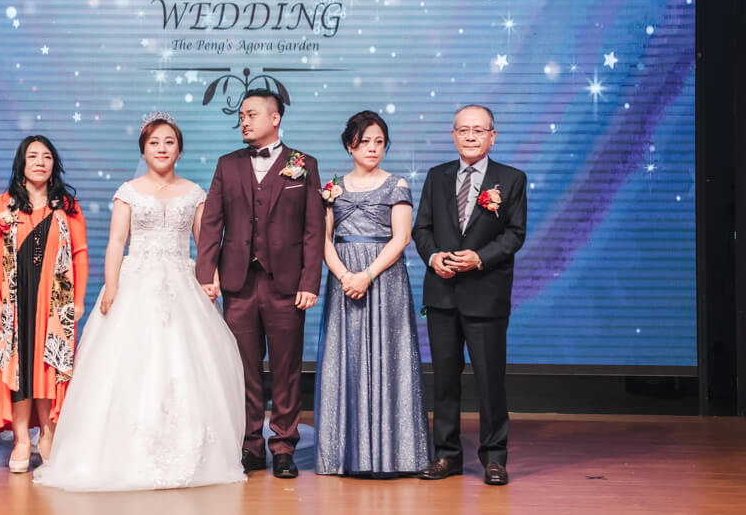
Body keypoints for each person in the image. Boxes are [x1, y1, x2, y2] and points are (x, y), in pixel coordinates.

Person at [34, 113, 246, 491]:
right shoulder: (128, 192)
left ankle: (188, 449)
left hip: (182, 283)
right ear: (144, 150)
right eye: (154, 143)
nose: (162, 148)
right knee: (129, 362)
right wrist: (112, 286)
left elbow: (205, 244)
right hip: (136, 283)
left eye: (169, 142)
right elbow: (117, 243)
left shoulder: (194, 193)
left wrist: (210, 278)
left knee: (187, 363)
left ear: (179, 150)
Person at [196, 89, 325, 479]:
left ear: (275, 118)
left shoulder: (303, 164)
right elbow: (212, 224)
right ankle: (250, 444)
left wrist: (310, 280)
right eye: (241, 116)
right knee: (243, 368)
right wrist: (206, 274)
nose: (244, 122)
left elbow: (313, 229)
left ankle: (283, 446)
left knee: (286, 370)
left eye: (251, 114)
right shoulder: (228, 164)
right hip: (238, 283)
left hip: (286, 283)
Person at [412, 105, 527, 486]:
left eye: (479, 130)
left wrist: (480, 258)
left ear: (493, 136)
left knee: (490, 381)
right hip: (442, 293)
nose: (471, 136)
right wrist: (433, 257)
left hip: (486, 295)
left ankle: (494, 458)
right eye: (463, 130)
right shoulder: (437, 176)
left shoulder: (511, 179)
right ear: (453, 136)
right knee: (445, 380)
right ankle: (446, 455)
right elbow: (422, 229)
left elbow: (515, 234)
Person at [314, 111, 430, 476]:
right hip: (344, 279)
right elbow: (324, 239)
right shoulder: (333, 187)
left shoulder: (396, 184)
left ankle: (394, 454)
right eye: (365, 141)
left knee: (388, 358)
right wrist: (345, 276)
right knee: (344, 358)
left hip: (384, 278)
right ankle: (343, 455)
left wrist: (366, 275)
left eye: (379, 141)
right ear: (350, 145)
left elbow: (402, 237)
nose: (373, 148)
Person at [0, 135, 88, 472]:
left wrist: (78, 301)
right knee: (19, 367)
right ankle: (21, 439)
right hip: (14, 303)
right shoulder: (1, 205)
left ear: (54, 164)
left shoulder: (67, 206)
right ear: (21, 163)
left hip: (54, 304)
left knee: (49, 367)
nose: (40, 162)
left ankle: (48, 437)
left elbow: (80, 255)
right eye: (33, 156)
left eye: (47, 157)